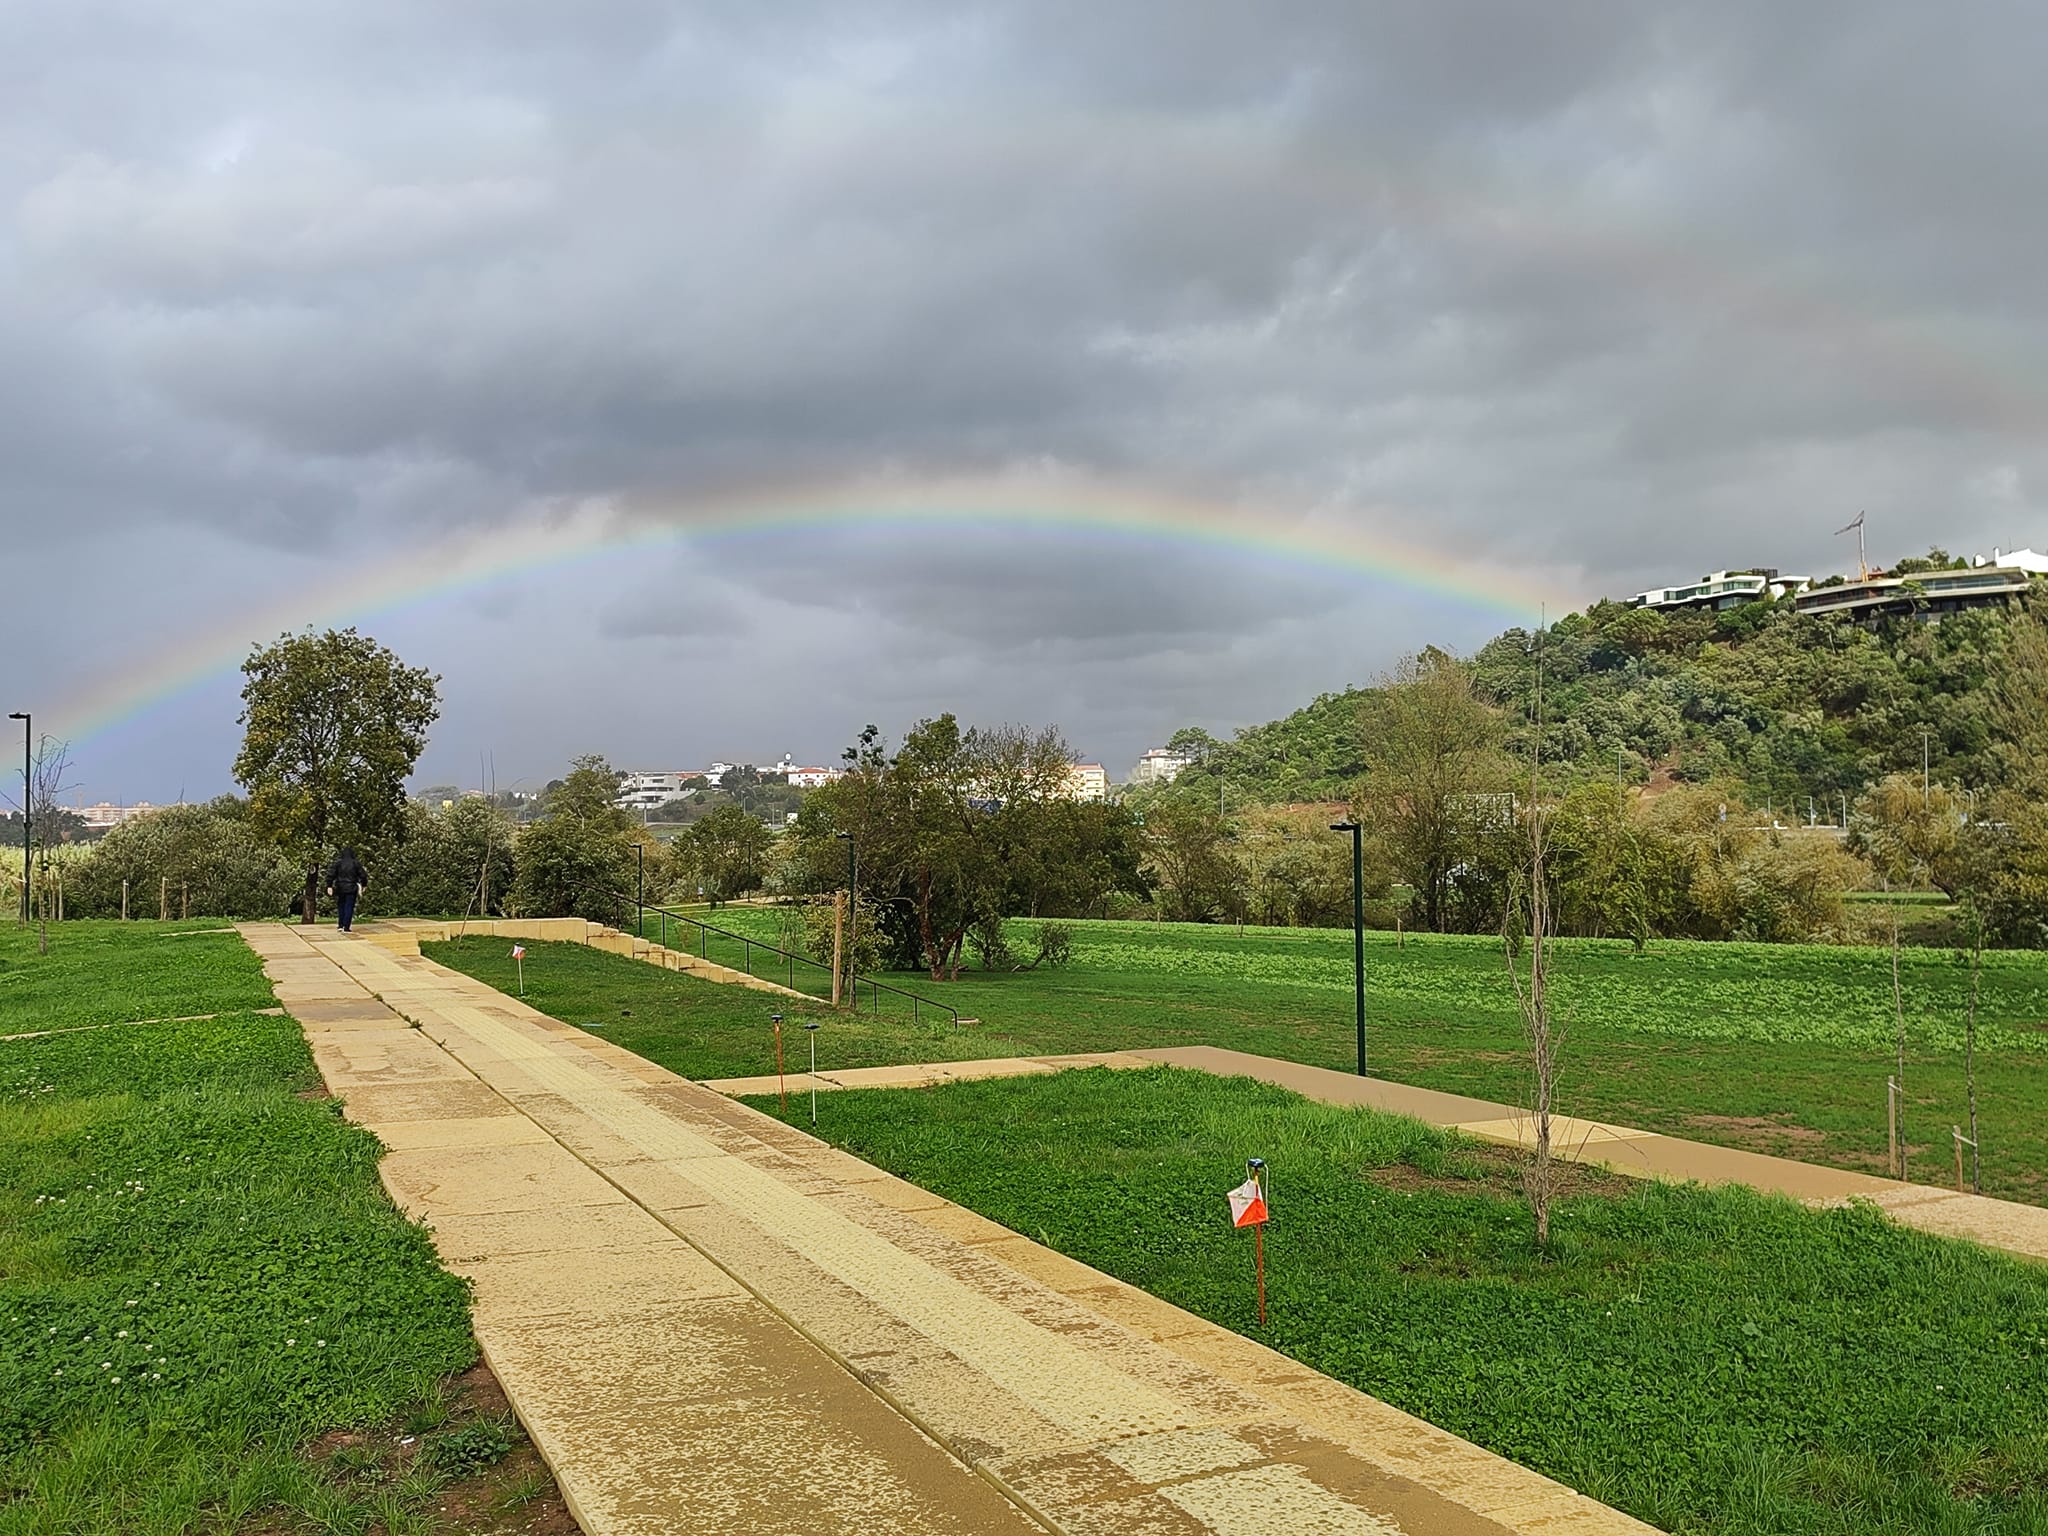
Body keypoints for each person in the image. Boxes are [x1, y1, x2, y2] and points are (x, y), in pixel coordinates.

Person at [325, 847, 369, 932]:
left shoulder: (338, 863)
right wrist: (364, 885)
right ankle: (346, 926)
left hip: (340, 887)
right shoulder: (356, 863)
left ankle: (340, 925)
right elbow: (363, 875)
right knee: (349, 906)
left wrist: (329, 885)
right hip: (351, 887)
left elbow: (331, 874)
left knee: (341, 906)